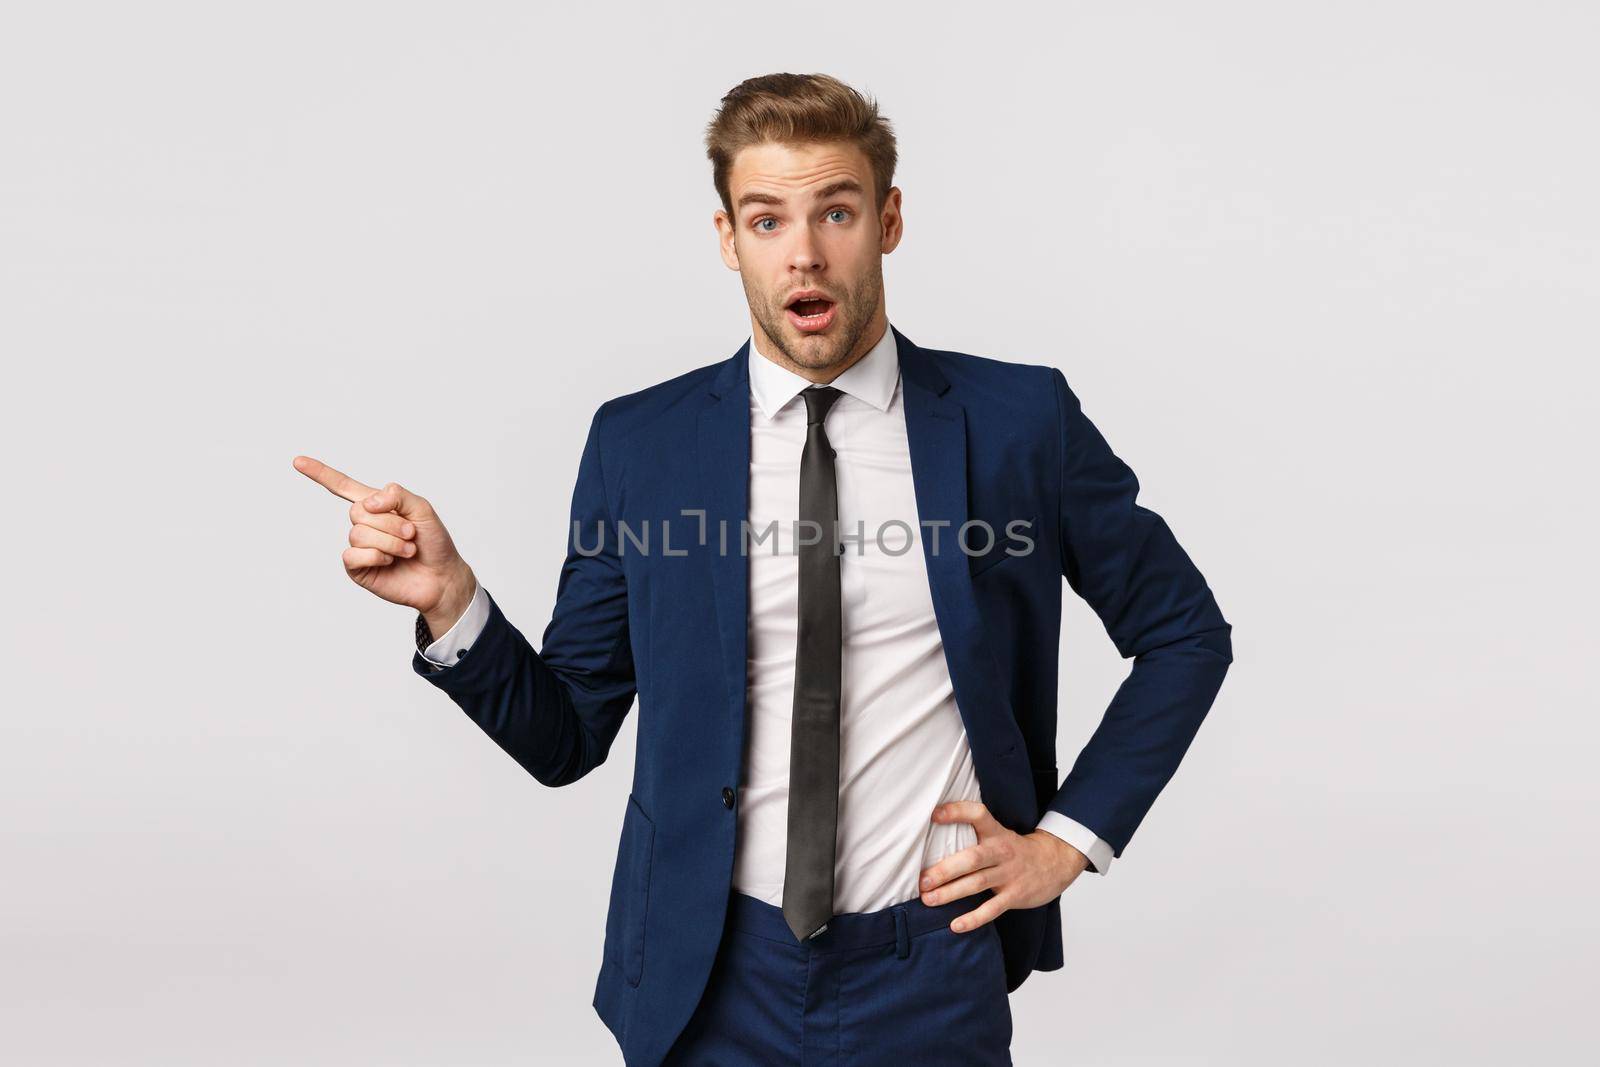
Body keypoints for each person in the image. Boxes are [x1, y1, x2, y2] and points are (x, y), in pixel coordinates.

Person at [293, 72, 1231, 1067]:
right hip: (708, 972)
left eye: (836, 210)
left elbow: (1182, 633)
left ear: (888, 221)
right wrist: (451, 601)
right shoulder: (639, 444)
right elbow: (567, 731)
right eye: (767, 218)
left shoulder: (1016, 424)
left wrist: (1065, 840)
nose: (805, 252)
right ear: (727, 238)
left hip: (930, 963)